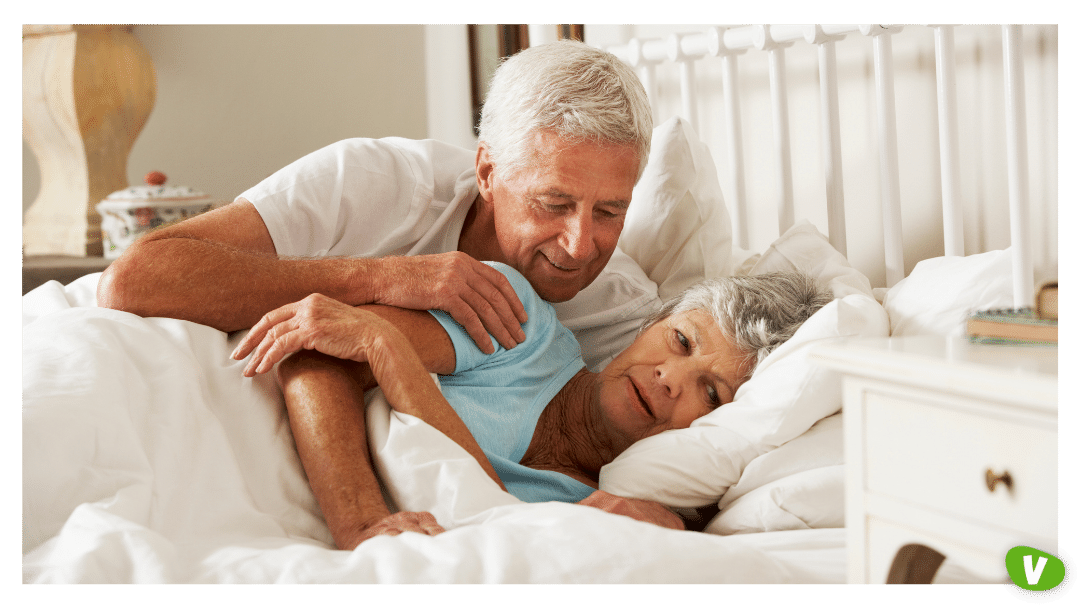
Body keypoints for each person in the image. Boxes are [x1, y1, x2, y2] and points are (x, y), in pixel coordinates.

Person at [96, 40, 657, 370]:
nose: (582, 245)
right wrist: (384, 277)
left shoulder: (623, 315)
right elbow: (134, 281)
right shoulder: (373, 180)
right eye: (553, 203)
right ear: (487, 171)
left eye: (609, 212)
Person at [232, 265, 832, 549]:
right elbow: (317, 349)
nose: (669, 379)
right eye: (679, 341)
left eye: (712, 392)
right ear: (652, 324)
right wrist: (360, 522)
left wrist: (388, 352)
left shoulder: (626, 517)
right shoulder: (517, 327)